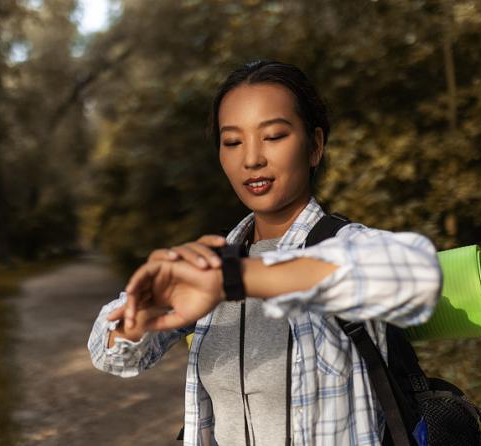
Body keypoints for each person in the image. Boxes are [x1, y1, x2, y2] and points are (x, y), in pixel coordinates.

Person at [88, 60, 443, 446]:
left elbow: (417, 271)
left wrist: (237, 278)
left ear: (315, 146)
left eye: (273, 136)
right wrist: (142, 314)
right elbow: (111, 356)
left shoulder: (345, 247)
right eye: (232, 142)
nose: (252, 158)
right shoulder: (216, 258)